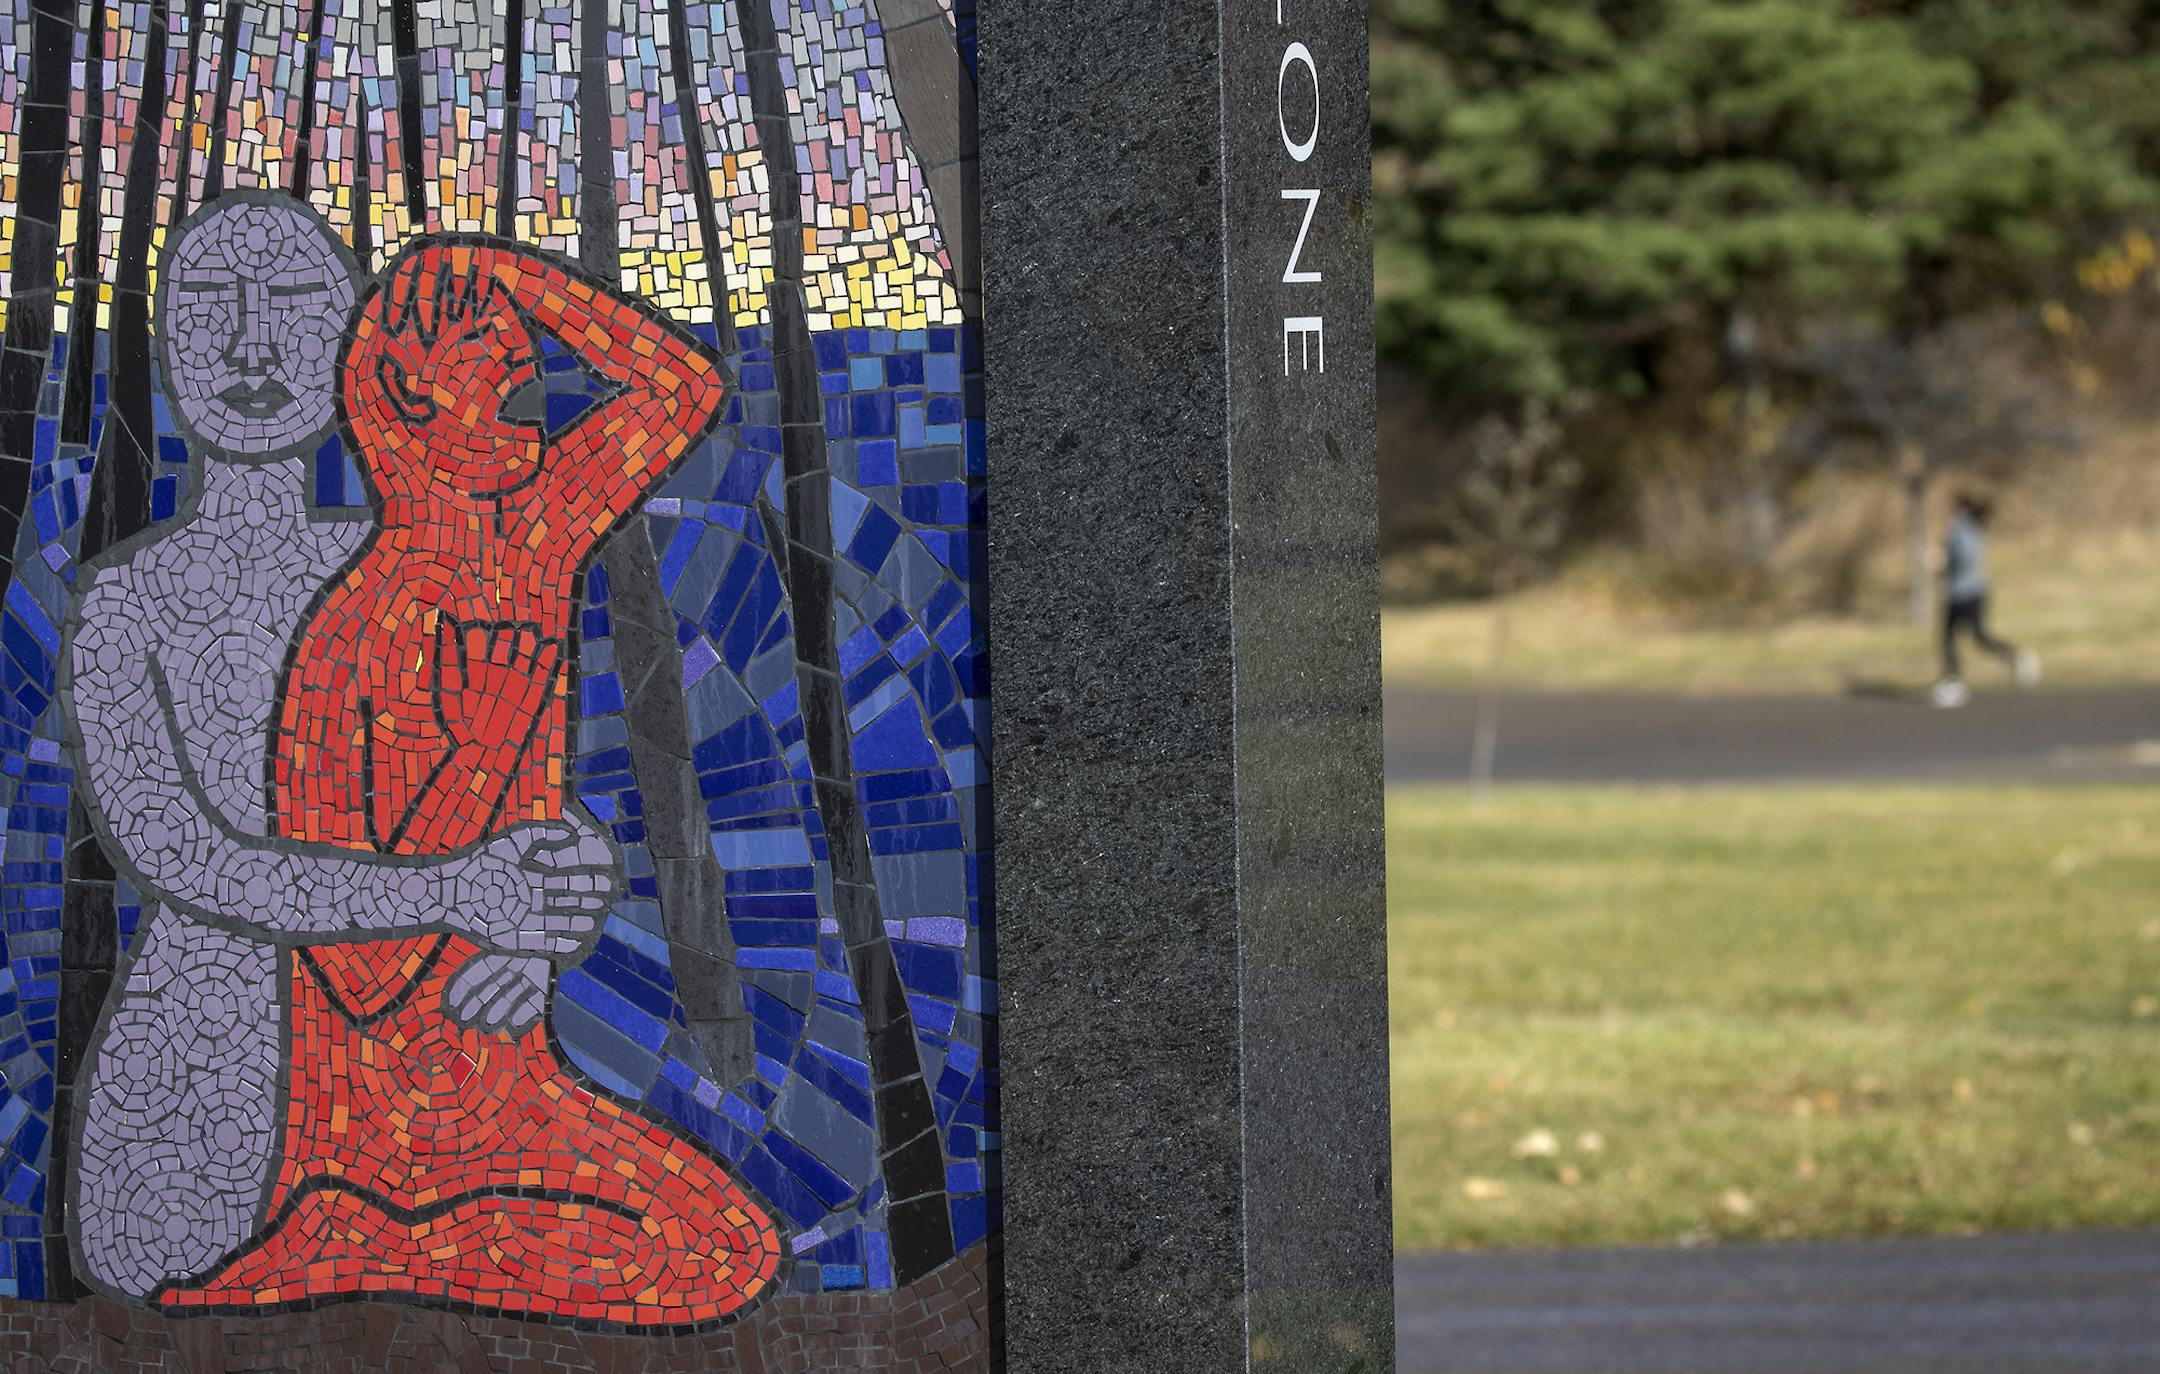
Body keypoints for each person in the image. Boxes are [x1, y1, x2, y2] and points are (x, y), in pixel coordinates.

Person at [157, 234, 783, 1326]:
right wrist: (490, 782)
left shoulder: (533, 546)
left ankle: (375, 1249)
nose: (532, 405)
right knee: (703, 1262)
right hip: (385, 1112)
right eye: (499, 383)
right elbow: (349, 961)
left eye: (530, 375)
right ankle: (351, 1224)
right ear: (410, 400)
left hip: (509, 1089)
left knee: (730, 1251)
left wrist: (505, 276)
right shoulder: (355, 639)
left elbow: (680, 386)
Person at [1931, 491, 2039, 708]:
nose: (1948, 512)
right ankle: (1953, 683)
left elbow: (1964, 559)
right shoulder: (1962, 530)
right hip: (1958, 593)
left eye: (1951, 508)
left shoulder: (1964, 530)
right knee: (1948, 639)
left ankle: (2016, 658)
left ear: (1961, 509)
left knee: (1978, 637)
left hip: (1968, 594)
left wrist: (1942, 561)